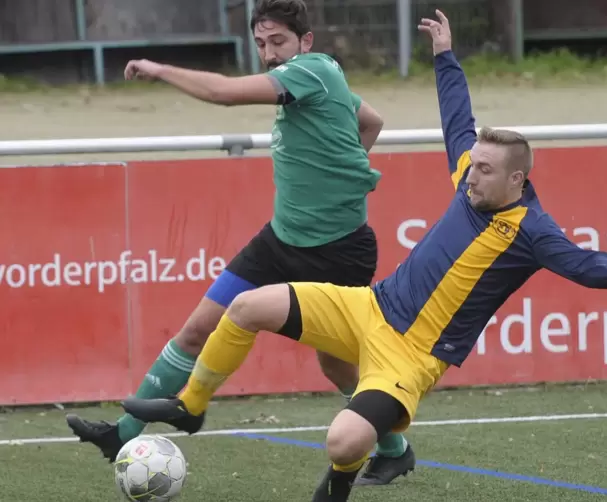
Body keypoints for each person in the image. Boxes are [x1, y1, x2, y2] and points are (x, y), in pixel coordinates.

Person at [120, 9, 607, 502]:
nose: (470, 174)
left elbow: (586, 267)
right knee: (246, 308)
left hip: (410, 357)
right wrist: (445, 56)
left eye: (484, 169)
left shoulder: (532, 230)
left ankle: (340, 486)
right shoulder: (469, 176)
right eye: (472, 164)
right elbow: (457, 120)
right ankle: (190, 407)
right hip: (370, 308)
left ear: (517, 178)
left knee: (342, 440)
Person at [65, 0, 418, 486]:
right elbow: (371, 120)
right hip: (279, 239)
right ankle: (121, 435)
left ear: (305, 42)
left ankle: (394, 447)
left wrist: (160, 68)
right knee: (195, 331)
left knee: (336, 365)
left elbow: (226, 93)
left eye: (278, 42)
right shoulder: (316, 78)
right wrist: (341, 166)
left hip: (337, 250)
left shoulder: (310, 71)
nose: (269, 54)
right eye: (261, 44)